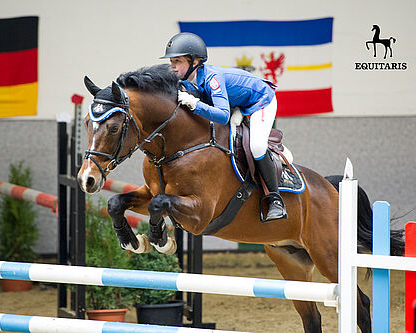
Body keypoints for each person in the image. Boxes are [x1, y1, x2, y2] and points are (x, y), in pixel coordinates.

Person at [160, 32, 287, 221]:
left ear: (194, 62)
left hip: (262, 100)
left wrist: (194, 104)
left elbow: (222, 115)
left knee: (257, 146)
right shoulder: (188, 80)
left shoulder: (213, 79)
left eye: (177, 61)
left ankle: (275, 200)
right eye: (172, 61)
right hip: (240, 103)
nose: (173, 66)